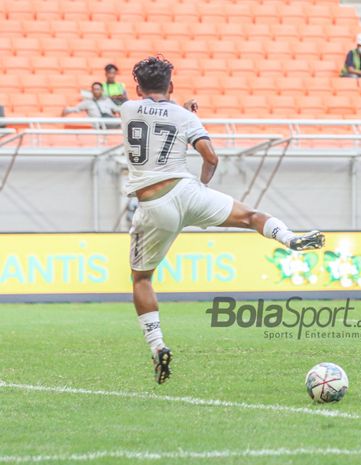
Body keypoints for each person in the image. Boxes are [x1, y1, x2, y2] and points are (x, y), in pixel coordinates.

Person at [122, 57, 325, 385]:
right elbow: (211, 156)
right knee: (251, 216)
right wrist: (202, 187)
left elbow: (139, 105)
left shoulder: (127, 109)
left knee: (142, 278)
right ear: (171, 86)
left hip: (154, 202)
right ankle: (289, 238)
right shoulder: (184, 115)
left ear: (137, 88)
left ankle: (157, 345)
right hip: (188, 190)